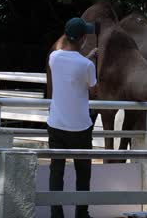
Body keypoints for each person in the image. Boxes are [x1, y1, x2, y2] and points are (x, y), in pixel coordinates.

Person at [47, 17, 98, 218]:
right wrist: (91, 59)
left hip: (56, 124)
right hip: (80, 127)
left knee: (56, 171)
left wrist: (88, 57)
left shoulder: (54, 57)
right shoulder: (87, 65)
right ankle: (81, 213)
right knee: (83, 173)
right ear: (84, 38)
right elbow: (93, 91)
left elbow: (68, 65)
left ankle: (56, 214)